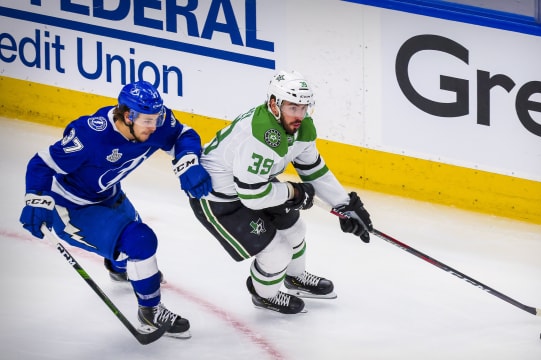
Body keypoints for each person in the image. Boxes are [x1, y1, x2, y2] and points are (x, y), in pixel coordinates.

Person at [19, 80, 212, 338]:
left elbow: (182, 134)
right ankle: (151, 312)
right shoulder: (90, 135)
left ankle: (120, 268)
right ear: (127, 116)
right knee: (140, 241)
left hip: (109, 195)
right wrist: (36, 198)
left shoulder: (156, 121)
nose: (154, 127)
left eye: (156, 118)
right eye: (146, 121)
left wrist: (188, 160)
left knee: (129, 252)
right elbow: (42, 162)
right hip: (73, 208)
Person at [188, 70, 373, 314]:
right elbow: (252, 197)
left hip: (253, 184)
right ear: (274, 104)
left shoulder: (301, 127)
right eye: (292, 107)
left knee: (296, 229)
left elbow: (312, 168)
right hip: (218, 199)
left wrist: (344, 204)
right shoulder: (260, 135)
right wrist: (293, 193)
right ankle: (264, 294)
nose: (299, 115)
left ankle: (295, 278)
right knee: (277, 252)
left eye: (303, 107)